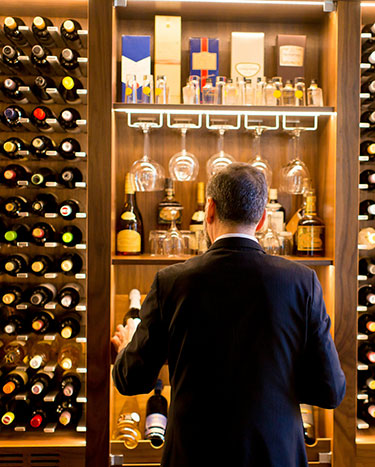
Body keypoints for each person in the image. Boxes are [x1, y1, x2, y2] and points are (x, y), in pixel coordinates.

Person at [111, 163, 345, 467]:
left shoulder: (171, 281)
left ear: (210, 210)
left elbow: (131, 381)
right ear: (261, 219)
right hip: (275, 456)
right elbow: (330, 391)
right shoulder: (302, 282)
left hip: (193, 456)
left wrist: (128, 346)